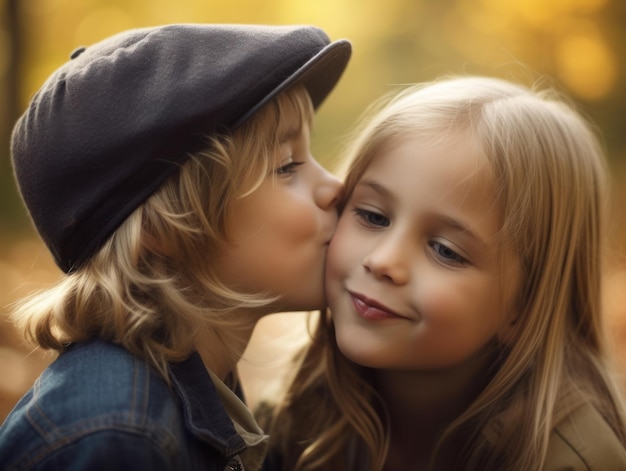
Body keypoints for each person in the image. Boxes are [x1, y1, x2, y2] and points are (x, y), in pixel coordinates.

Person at [0, 23, 351, 471]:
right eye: (287, 166)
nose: (335, 187)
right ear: (164, 229)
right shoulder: (116, 441)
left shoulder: (201, 389)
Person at [263, 76, 626, 470]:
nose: (384, 261)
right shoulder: (305, 406)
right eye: (372, 215)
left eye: (445, 251)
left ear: (524, 306)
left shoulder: (572, 460)